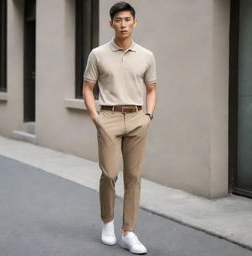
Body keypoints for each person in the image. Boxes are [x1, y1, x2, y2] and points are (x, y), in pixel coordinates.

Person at [83, 1, 157, 254]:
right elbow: (88, 89)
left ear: (134, 22)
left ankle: (128, 232)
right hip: (109, 119)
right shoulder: (98, 54)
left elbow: (151, 89)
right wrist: (96, 118)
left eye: (127, 20)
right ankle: (107, 223)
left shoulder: (147, 55)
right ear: (111, 23)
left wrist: (148, 115)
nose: (123, 24)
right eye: (118, 20)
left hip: (137, 119)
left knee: (134, 177)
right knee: (110, 174)